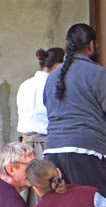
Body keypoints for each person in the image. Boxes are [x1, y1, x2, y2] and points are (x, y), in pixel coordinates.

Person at [43, 23, 106, 196]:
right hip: (85, 151)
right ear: (91, 46)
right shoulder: (97, 73)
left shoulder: (52, 78)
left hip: (52, 152)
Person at [17, 47, 65, 151]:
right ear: (58, 65)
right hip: (47, 143)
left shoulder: (25, 84)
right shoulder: (54, 85)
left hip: (25, 145)